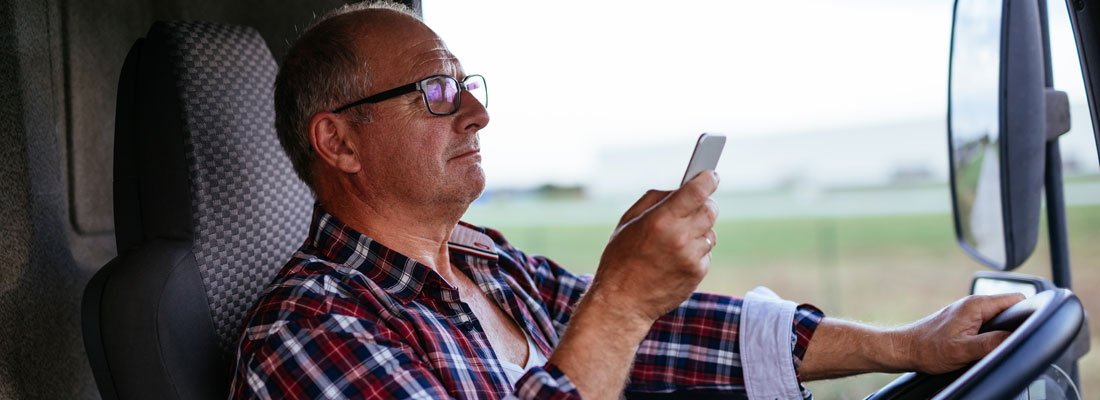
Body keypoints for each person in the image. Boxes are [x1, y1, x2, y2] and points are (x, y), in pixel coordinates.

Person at [229, 2, 1024, 399]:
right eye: (436, 90)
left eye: (467, 85)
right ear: (339, 142)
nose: (476, 112)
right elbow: (619, 323)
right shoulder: (307, 333)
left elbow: (672, 334)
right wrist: (619, 302)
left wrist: (910, 343)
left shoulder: (487, 259)